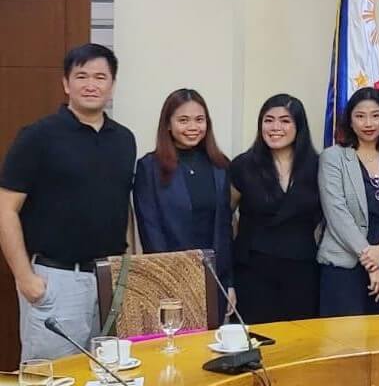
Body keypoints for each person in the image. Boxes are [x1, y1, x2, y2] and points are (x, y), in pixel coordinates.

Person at [0, 43, 136, 359]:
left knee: (106, 379)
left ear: (112, 85)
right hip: (57, 279)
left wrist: (128, 272)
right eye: (82, 76)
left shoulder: (124, 139)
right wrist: (25, 277)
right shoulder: (38, 136)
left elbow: (121, 205)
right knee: (53, 383)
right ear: (66, 83)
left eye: (100, 77)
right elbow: (6, 209)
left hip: (110, 279)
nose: (91, 85)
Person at [133, 88, 234, 318]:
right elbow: (151, 232)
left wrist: (229, 283)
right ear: (168, 124)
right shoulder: (149, 167)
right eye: (183, 120)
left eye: (200, 120)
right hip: (170, 281)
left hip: (215, 280)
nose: (193, 127)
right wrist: (170, 283)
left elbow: (225, 229)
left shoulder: (220, 165)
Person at [230, 94, 321, 324]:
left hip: (302, 271)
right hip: (253, 271)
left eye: (285, 120)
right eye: (268, 120)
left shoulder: (317, 166)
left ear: (299, 126)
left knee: (299, 345)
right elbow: (225, 218)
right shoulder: (243, 165)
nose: (275, 127)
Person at [317, 87, 379, 316]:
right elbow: (336, 213)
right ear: (350, 121)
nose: (368, 123)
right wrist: (370, 261)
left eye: (376, 115)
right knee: (345, 343)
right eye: (360, 116)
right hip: (344, 266)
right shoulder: (333, 157)